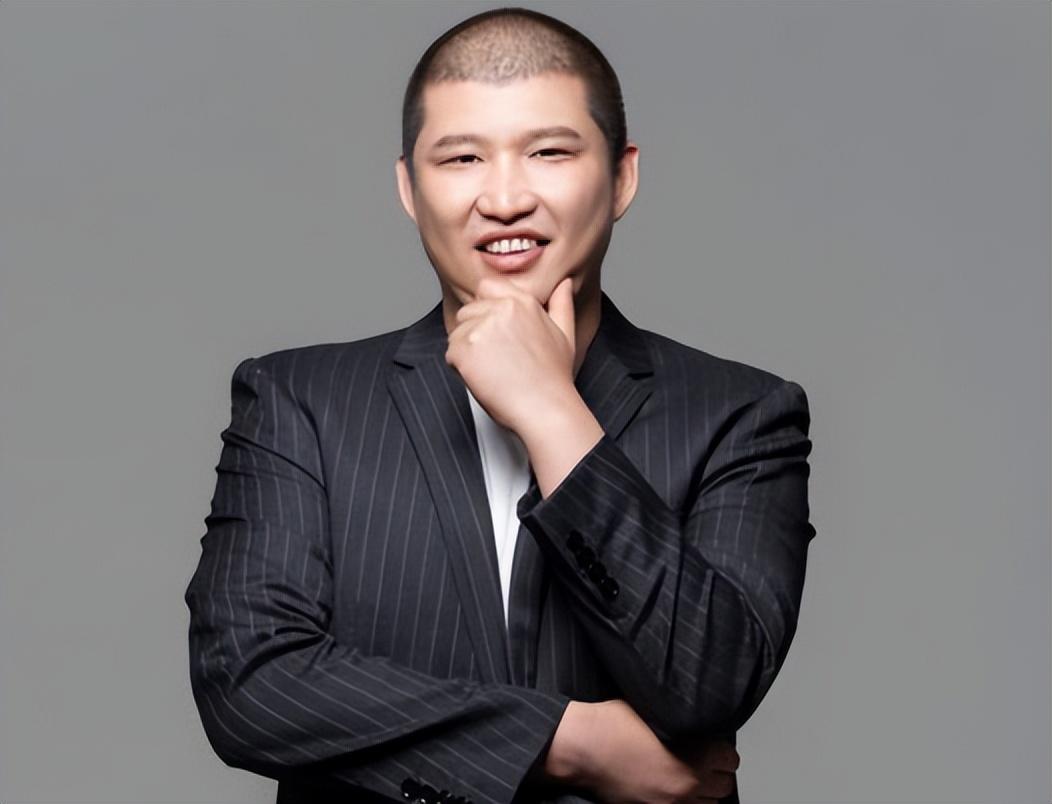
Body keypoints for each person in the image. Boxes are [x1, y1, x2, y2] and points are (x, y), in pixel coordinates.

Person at [184, 7, 815, 804]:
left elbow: (710, 685)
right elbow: (249, 683)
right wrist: (567, 742)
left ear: (621, 177)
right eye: (462, 158)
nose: (506, 198)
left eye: (549, 152)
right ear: (410, 188)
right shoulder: (300, 403)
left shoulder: (742, 415)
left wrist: (551, 410)